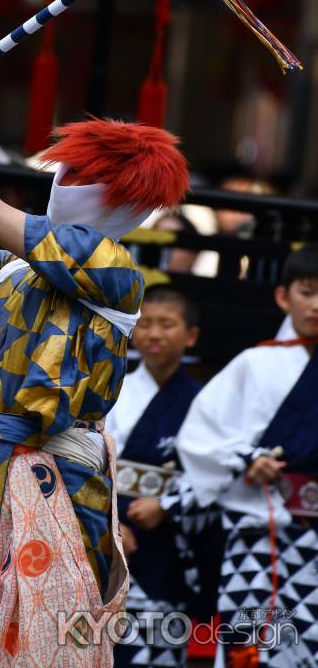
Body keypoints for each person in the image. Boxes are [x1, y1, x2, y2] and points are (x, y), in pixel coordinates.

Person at [0, 52, 190, 666]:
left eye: (78, 173)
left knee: (42, 649)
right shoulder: (16, 271)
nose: (63, 180)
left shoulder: (112, 266)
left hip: (57, 480)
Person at [177, 245, 318, 667]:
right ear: (282, 297)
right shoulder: (255, 363)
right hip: (256, 530)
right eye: (308, 292)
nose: (317, 305)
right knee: (248, 651)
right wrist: (244, 459)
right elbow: (198, 437)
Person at [106, 286, 202, 668]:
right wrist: (108, 524)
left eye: (167, 324)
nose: (155, 334)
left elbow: (212, 472)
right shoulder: (114, 388)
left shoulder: (203, 400)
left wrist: (167, 504)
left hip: (165, 541)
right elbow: (90, 461)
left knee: (158, 647)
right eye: (145, 324)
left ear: (190, 335)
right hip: (108, 533)